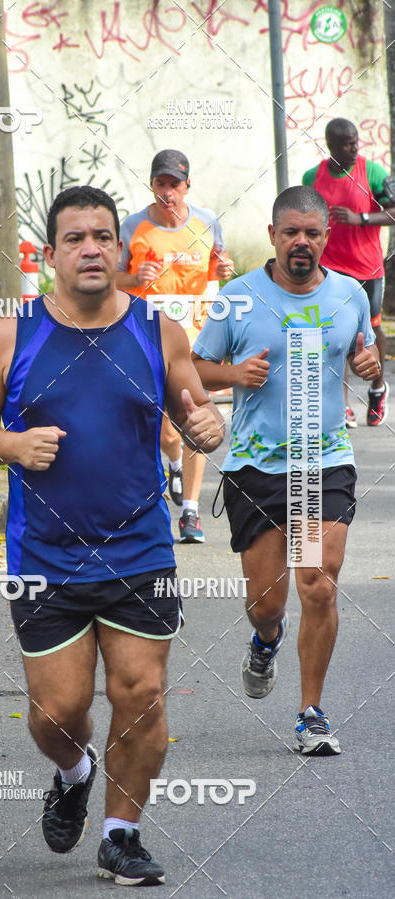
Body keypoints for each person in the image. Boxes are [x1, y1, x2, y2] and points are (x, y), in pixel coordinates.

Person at [0, 185, 224, 885]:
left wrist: (206, 428)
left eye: (103, 235)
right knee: (57, 712)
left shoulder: (158, 331)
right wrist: (10, 446)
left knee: (142, 691)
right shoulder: (14, 334)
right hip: (45, 555)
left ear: (121, 247)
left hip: (140, 547)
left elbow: (195, 408)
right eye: (75, 238)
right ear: (50, 256)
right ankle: (74, 771)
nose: (91, 249)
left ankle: (121, 834)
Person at [192, 186, 379, 755]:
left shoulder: (349, 294)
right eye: (291, 232)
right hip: (258, 466)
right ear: (273, 235)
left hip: (325, 461)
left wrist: (371, 365)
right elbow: (195, 367)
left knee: (317, 583)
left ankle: (311, 713)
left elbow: (367, 356)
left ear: (327, 238)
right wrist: (232, 375)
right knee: (268, 603)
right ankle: (266, 639)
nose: (302, 242)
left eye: (313, 233)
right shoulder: (237, 297)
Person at [116, 149, 233, 543]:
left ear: (187, 187)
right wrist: (134, 279)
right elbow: (111, 282)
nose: (168, 192)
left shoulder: (207, 222)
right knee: (167, 432)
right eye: (161, 183)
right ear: (152, 185)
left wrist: (222, 271)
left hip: (196, 341)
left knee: (195, 420)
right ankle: (174, 464)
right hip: (149, 339)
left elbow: (219, 267)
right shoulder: (133, 227)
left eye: (175, 185)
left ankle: (191, 511)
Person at [303, 117, 395, 427]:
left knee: (370, 332)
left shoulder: (372, 172)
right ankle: (341, 405)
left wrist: (362, 219)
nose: (355, 147)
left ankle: (377, 388)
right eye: (347, 143)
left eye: (356, 141)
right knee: (335, 335)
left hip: (367, 269)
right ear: (330, 146)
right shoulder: (311, 177)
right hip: (330, 270)